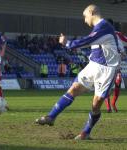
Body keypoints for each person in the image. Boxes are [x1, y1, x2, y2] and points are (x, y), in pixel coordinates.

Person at [35, 4, 122, 140]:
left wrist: (68, 43)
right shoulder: (99, 28)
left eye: (85, 16)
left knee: (96, 104)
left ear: (92, 12)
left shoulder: (104, 26)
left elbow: (87, 41)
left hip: (106, 70)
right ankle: (51, 117)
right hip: (93, 65)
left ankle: (86, 133)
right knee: (74, 88)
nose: (84, 19)